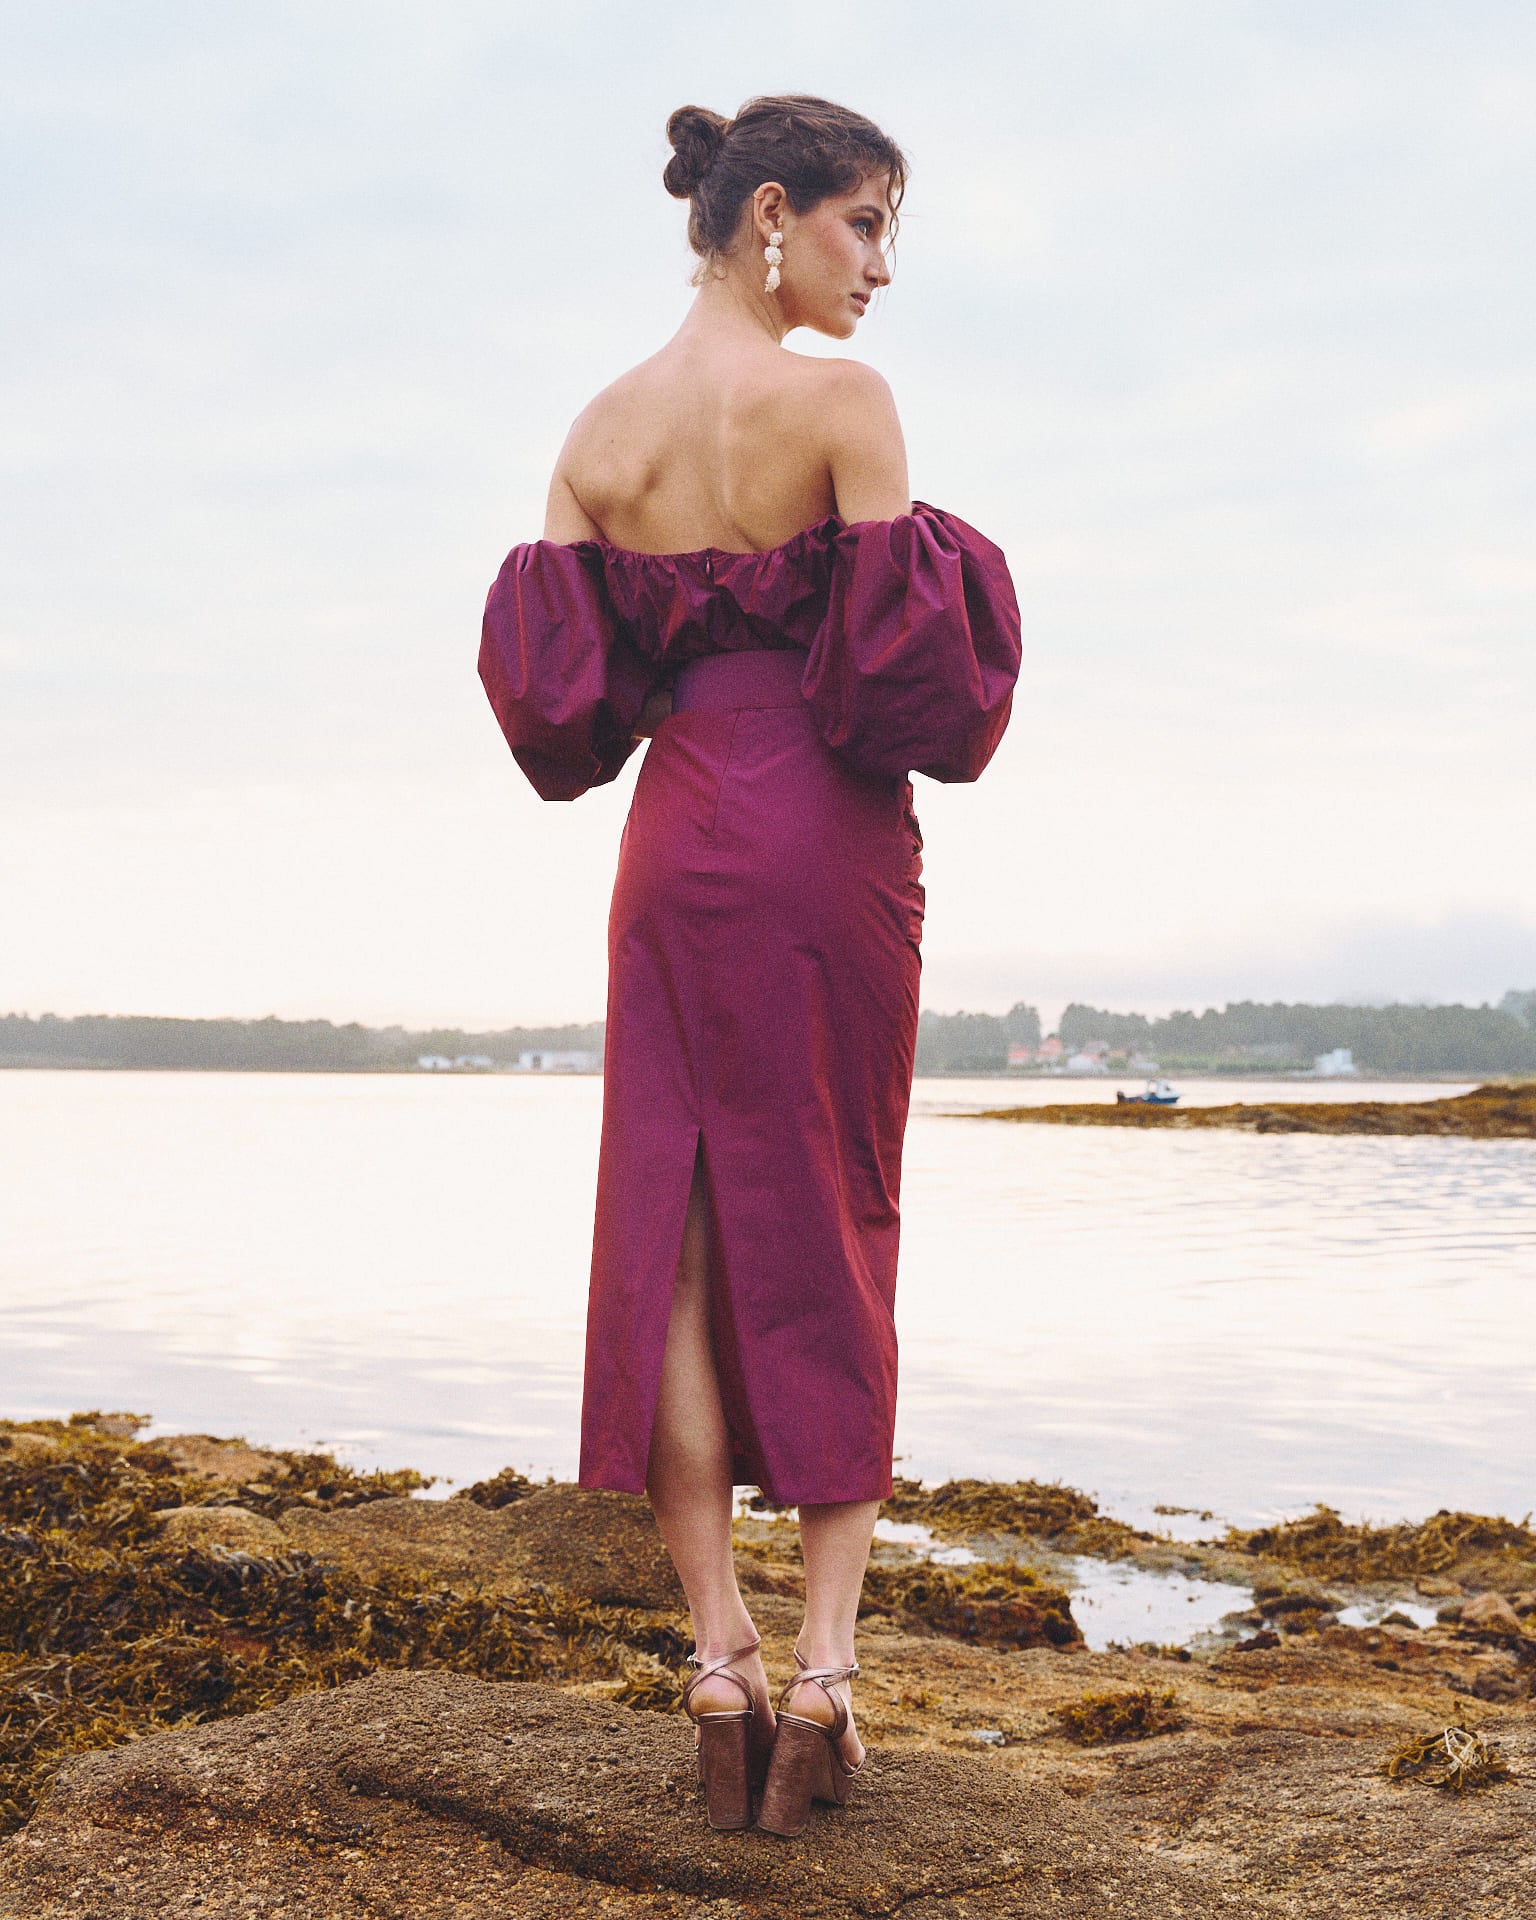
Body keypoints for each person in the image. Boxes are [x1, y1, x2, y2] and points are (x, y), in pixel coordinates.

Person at [479, 95, 1021, 1838]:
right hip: (818, 839)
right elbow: (904, 694)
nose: (881, 270)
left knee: (677, 1230)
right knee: (835, 1211)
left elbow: (565, 716)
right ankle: (827, 1672)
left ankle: (717, 1660)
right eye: (867, 225)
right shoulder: (843, 406)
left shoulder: (598, 435)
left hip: (671, 844)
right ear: (771, 212)